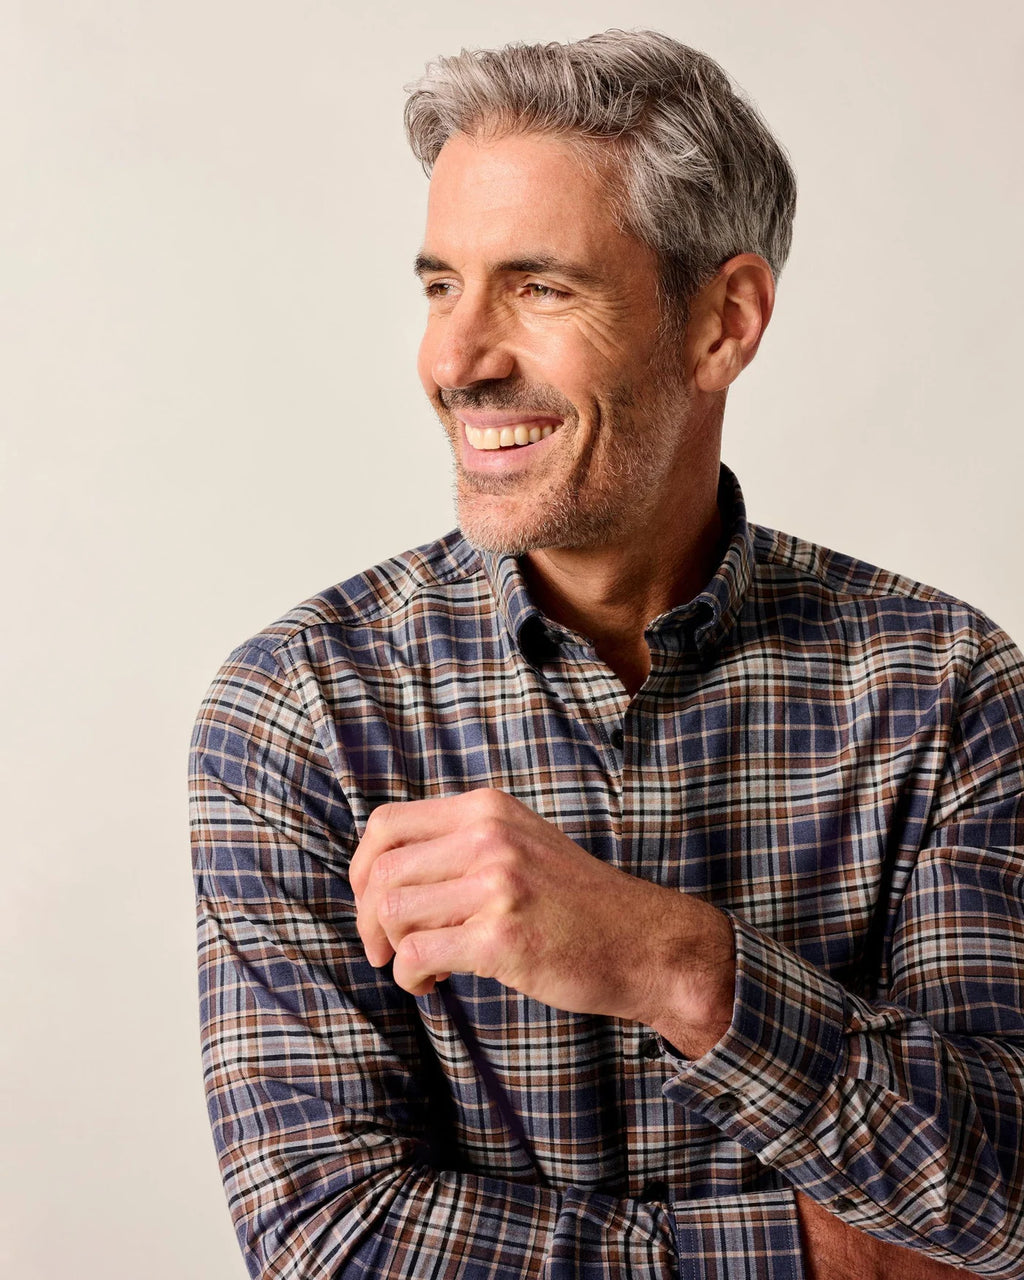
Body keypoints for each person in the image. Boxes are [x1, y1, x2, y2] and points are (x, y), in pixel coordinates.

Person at [189, 30, 1024, 1279]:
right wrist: (840, 1257)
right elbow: (332, 1241)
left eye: (537, 286)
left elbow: (1007, 1184)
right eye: (440, 285)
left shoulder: (944, 684)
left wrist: (672, 962)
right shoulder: (303, 707)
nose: (454, 359)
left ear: (724, 323)